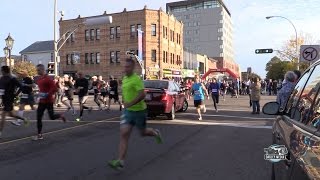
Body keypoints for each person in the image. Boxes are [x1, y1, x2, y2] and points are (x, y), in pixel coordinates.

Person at [108, 58, 163, 170]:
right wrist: (124, 102)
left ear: (132, 68)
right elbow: (125, 92)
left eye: (127, 67)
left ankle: (155, 133)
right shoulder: (124, 79)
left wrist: (131, 103)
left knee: (143, 133)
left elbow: (142, 94)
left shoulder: (136, 79)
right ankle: (120, 161)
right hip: (128, 112)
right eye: (124, 66)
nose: (125, 68)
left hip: (139, 111)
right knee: (124, 134)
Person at [33, 64, 66, 140]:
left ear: (42, 70)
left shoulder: (48, 79)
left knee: (51, 117)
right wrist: (38, 94)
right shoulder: (39, 79)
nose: (37, 71)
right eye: (37, 70)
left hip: (49, 101)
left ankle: (60, 115)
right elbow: (41, 90)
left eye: (38, 70)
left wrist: (47, 94)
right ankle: (39, 134)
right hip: (42, 101)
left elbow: (55, 89)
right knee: (38, 117)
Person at [0, 66, 29, 137]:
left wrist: (16, 94)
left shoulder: (12, 79)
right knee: (11, 115)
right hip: (4, 99)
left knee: (3, 116)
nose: (1, 72)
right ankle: (24, 119)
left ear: (4, 71)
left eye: (1, 70)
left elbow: (21, 86)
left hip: (9, 99)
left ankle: (0, 133)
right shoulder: (1, 78)